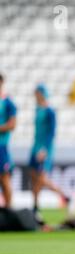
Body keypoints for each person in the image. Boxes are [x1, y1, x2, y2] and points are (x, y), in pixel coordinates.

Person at [29, 84, 70, 227]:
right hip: (35, 147)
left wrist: (44, 149)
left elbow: (51, 133)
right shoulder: (38, 110)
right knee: (34, 178)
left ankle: (63, 197)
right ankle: (35, 207)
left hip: (43, 149)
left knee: (41, 179)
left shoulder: (49, 111)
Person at [0, 73, 17, 209]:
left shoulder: (8, 103)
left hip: (2, 147)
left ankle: (9, 209)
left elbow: (12, 125)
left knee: (4, 179)